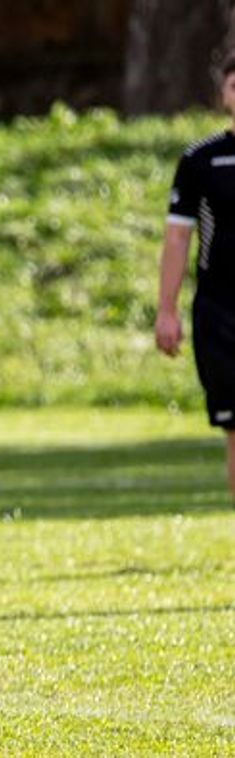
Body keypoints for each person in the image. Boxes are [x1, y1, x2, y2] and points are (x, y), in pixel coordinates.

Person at [155, 51, 235, 504]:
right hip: (221, 312)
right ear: (223, 93)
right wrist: (166, 310)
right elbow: (177, 238)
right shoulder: (201, 160)